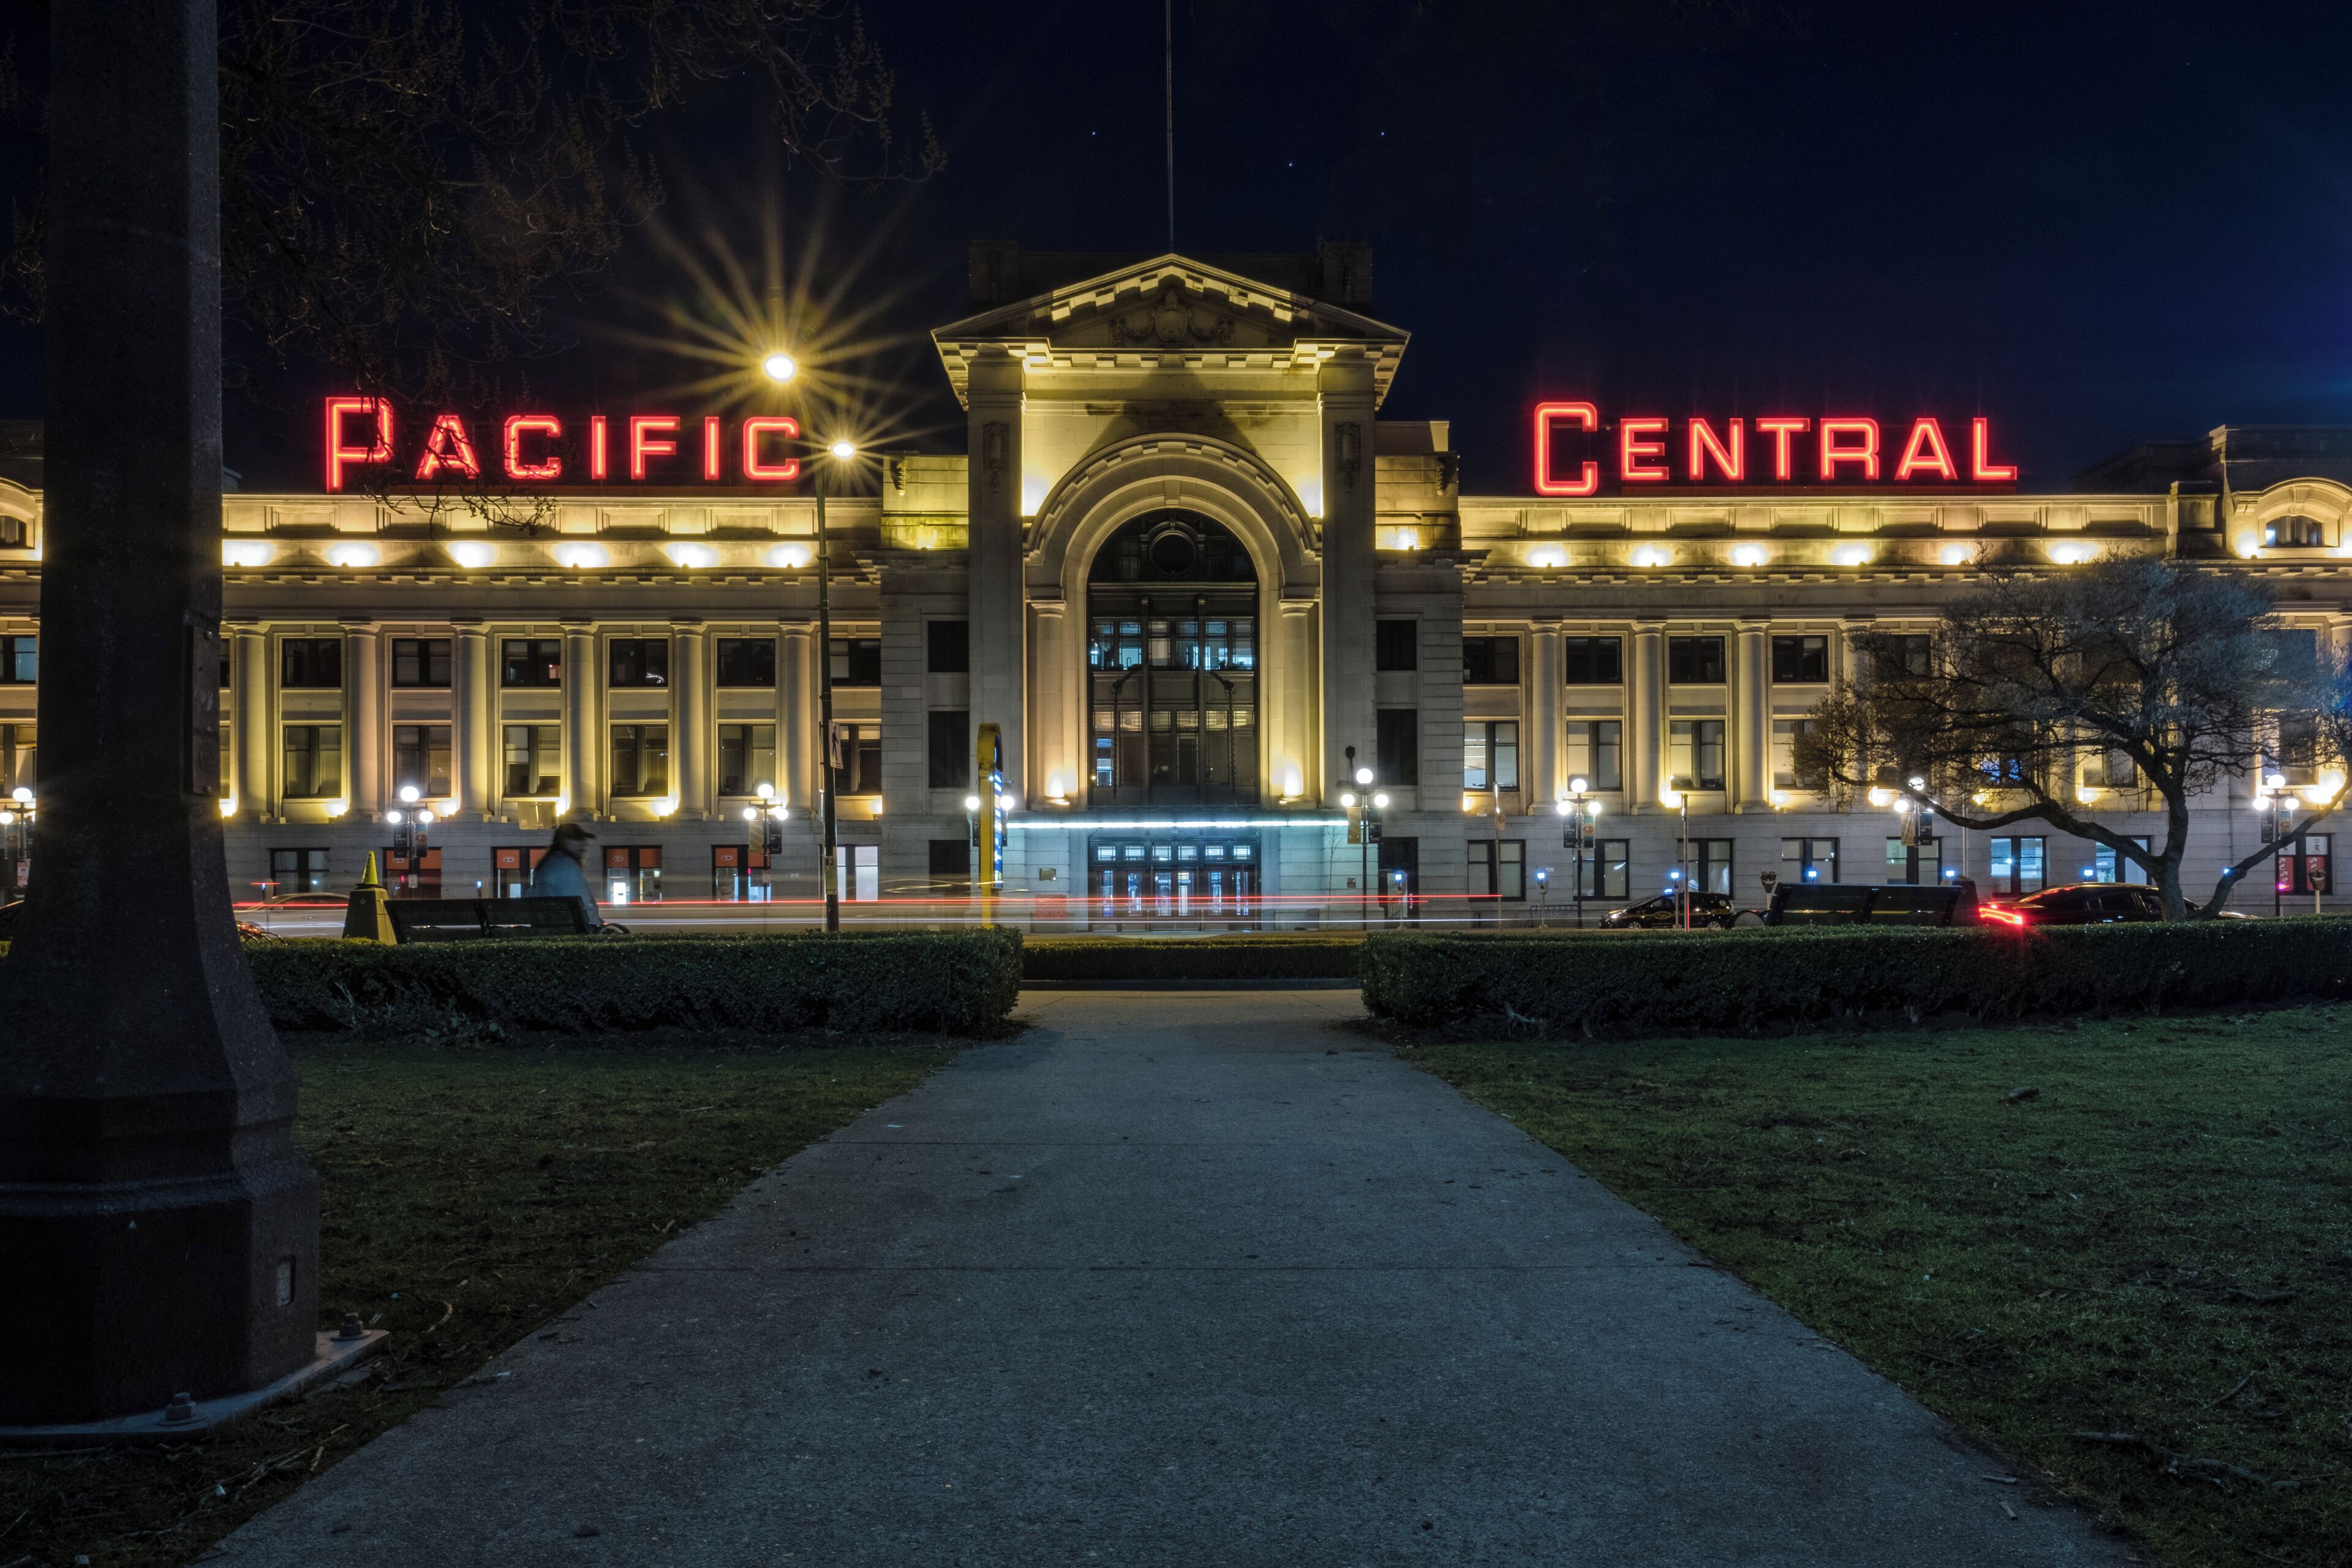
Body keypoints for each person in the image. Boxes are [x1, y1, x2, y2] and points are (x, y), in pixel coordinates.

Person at [526, 822, 604, 930]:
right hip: (571, 932)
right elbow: (585, 907)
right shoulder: (568, 866)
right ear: (564, 841)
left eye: (584, 839)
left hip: (547, 930)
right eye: (577, 839)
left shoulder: (545, 865)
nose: (584, 844)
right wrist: (599, 927)